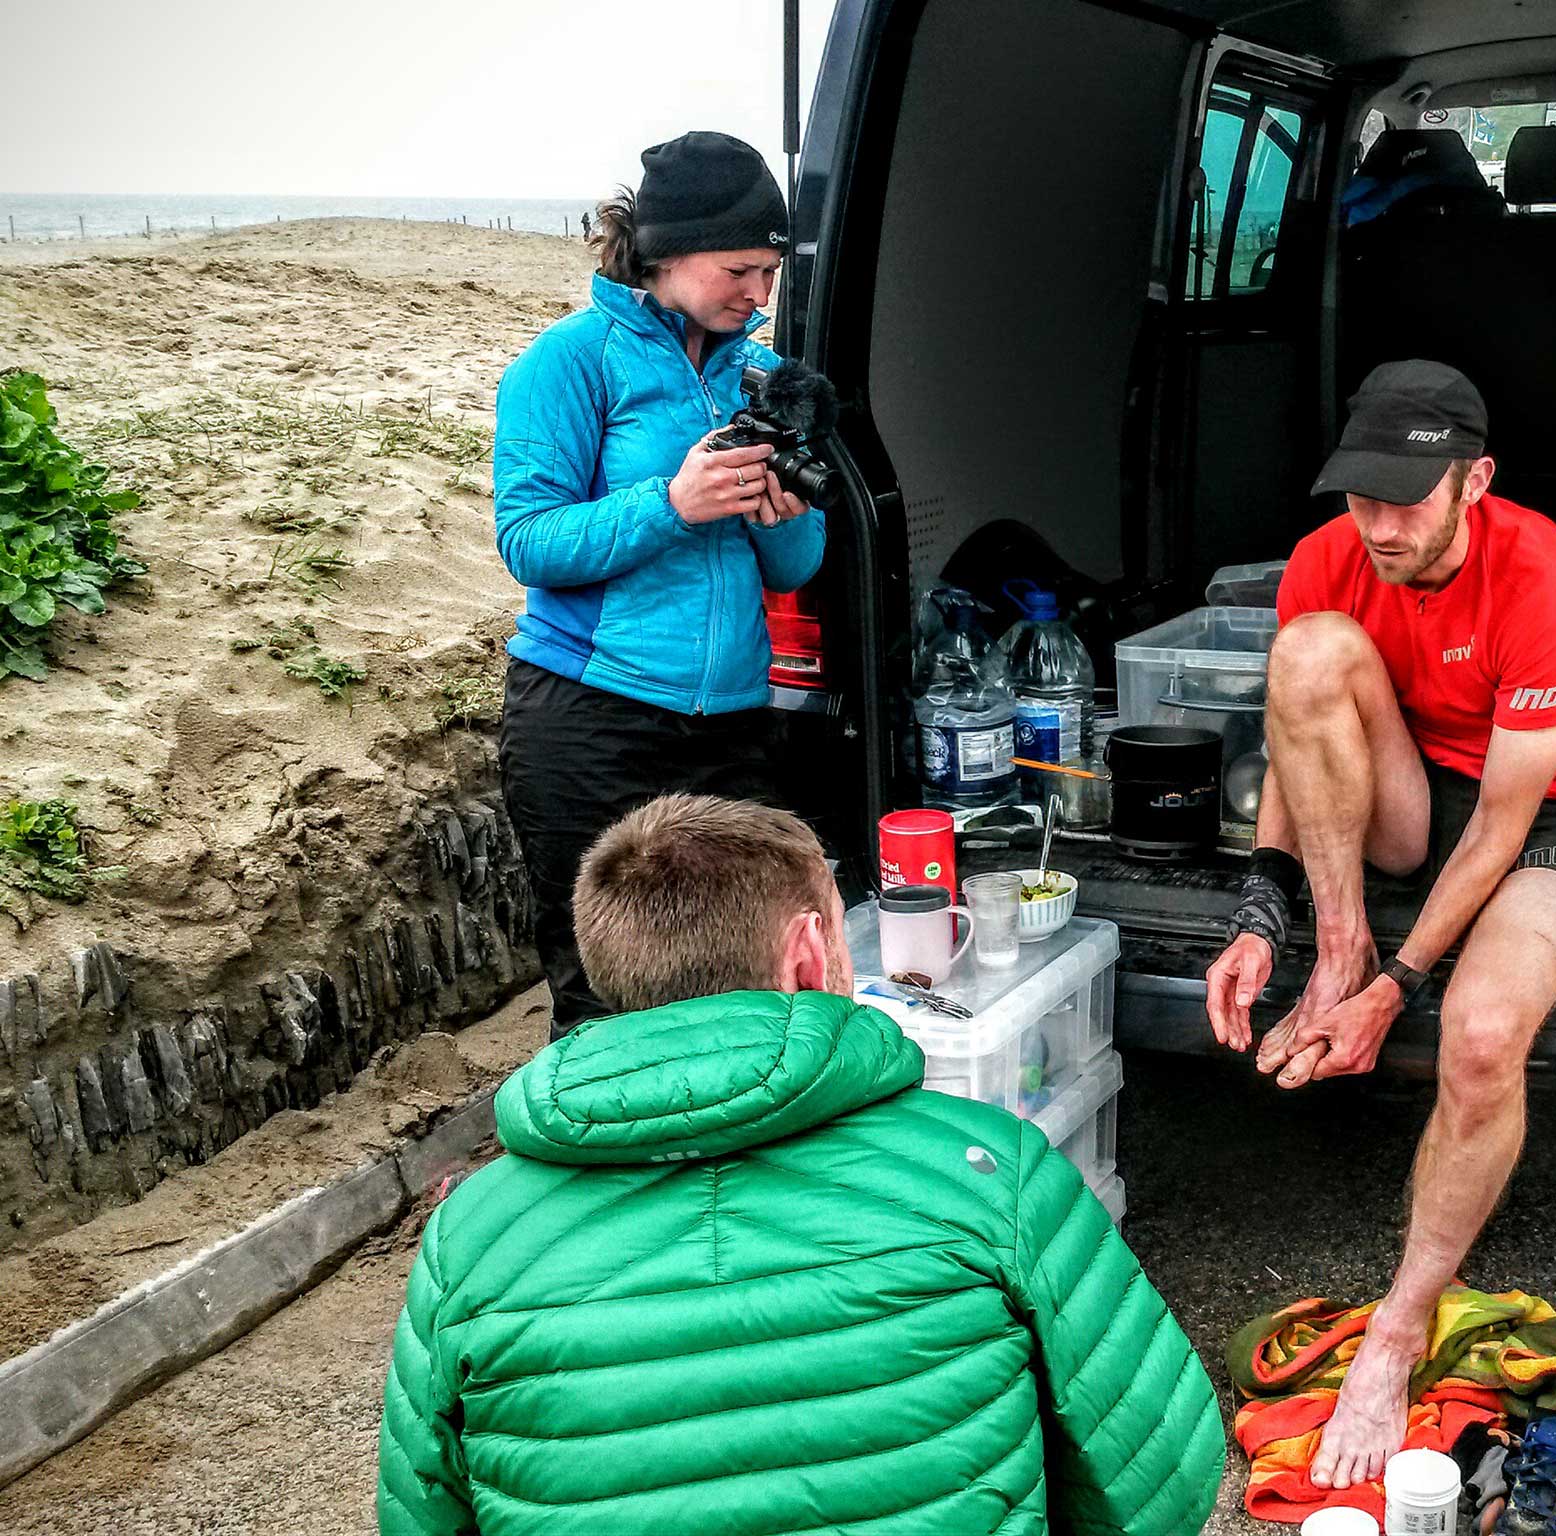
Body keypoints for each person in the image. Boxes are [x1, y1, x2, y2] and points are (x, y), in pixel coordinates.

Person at [378, 794, 1226, 1536]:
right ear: (809, 955)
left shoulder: (472, 1238)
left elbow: (423, 1515)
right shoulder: (988, 1169)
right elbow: (1164, 1484)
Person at [1203, 360, 1556, 1491]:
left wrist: (1400, 984)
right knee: (1304, 651)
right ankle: (1335, 953)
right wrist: (1270, 915)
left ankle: (1399, 1321)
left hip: (1538, 821)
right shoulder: (1329, 555)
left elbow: (1498, 822)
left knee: (1482, 1038)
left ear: (1472, 480)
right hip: (1403, 800)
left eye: (1405, 499)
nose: (1377, 525)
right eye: (1359, 497)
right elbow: (1298, 738)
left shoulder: (1545, 580)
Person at [494, 131, 823, 1042]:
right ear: (668, 254)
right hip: (594, 723)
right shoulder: (568, 362)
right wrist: (673, 503)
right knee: (604, 997)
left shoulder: (755, 375)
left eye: (772, 272)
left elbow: (796, 571)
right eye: (741, 270)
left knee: (751, 982)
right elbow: (527, 541)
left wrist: (787, 519)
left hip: (733, 726)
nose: (760, 295)